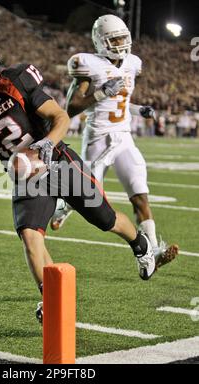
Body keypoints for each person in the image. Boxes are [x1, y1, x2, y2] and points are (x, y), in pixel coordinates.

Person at [0, 38, 166, 324]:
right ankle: (52, 297)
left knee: (106, 220)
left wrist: (48, 143)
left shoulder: (15, 81)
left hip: (60, 162)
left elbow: (59, 116)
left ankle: (141, 245)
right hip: (27, 177)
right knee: (30, 235)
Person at [50, 15, 178, 266]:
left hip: (124, 138)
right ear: (100, 41)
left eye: (122, 37)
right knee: (87, 193)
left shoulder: (132, 63)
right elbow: (72, 107)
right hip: (97, 138)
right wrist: (100, 91)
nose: (120, 43)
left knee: (140, 193)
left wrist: (139, 109)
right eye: (114, 39)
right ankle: (64, 207)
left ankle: (153, 250)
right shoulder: (89, 65)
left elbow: (120, 103)